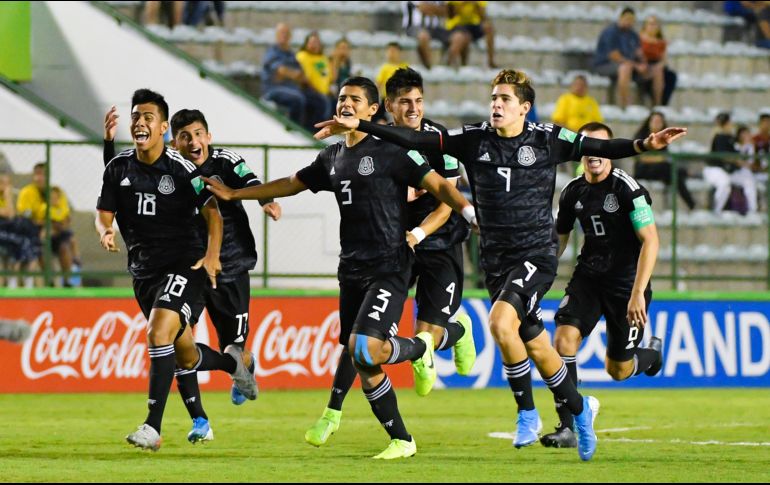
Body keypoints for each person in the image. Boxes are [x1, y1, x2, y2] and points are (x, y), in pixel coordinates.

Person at [314, 68, 687, 461]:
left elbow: (601, 147)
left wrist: (646, 142)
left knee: (499, 322)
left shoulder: (548, 139)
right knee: (538, 346)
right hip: (496, 258)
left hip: (535, 255)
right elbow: (416, 137)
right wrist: (365, 127)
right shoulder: (473, 139)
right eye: (494, 97)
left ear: (524, 107)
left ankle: (527, 412)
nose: (496, 104)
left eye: (505, 99)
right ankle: (580, 409)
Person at [205, 76, 478, 460]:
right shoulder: (332, 158)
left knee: (363, 346)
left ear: (371, 111)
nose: (346, 103)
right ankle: (401, 439)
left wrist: (468, 211)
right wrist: (236, 194)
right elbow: (292, 183)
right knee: (365, 360)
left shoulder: (393, 150)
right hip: (351, 270)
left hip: (390, 266)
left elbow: (439, 186)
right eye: (342, 97)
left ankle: (420, 348)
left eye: (355, 99)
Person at [303, 67, 476, 448]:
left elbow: (445, 202)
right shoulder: (383, 140)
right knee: (360, 338)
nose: (413, 110)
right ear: (390, 109)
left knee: (423, 336)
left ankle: (456, 330)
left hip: (438, 243)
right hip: (397, 247)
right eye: (404, 103)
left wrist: (417, 232)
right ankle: (333, 411)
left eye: (418, 102)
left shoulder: (438, 141)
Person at [102, 105, 282, 443]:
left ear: (209, 137)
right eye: (185, 137)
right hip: (192, 266)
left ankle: (240, 367)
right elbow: (122, 178)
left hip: (231, 265)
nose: (193, 141)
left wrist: (266, 200)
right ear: (174, 143)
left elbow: (250, 180)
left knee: (235, 349)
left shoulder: (225, 160)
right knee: (176, 337)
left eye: (199, 134)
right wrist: (108, 145)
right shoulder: (175, 170)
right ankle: (198, 419)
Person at [540, 122, 663, 449]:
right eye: (588, 147)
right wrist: (541, 274)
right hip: (589, 278)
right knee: (564, 340)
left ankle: (650, 354)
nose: (594, 154)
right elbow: (560, 238)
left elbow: (651, 241)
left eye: (601, 147)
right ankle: (567, 427)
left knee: (618, 370)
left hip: (626, 285)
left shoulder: (627, 189)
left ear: (610, 152)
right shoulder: (572, 191)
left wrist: (638, 292)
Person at [16, 163, 81, 287]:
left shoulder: (57, 192)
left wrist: (52, 226)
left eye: (42, 175)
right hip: (33, 232)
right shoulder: (26, 193)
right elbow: (25, 218)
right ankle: (49, 282)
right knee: (41, 247)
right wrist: (45, 224)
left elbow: (65, 218)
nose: (39, 178)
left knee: (64, 246)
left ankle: (67, 281)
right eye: (36, 174)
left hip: (57, 230)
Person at [261, 23, 330, 131]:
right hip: (274, 89)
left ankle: (311, 134)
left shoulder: (291, 54)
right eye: (282, 33)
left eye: (286, 33)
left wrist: (293, 75)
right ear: (276, 35)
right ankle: (294, 132)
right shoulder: (272, 52)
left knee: (320, 101)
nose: (284, 36)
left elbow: (301, 75)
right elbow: (280, 71)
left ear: (290, 37)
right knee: (297, 98)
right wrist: (292, 74)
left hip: (292, 88)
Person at [593, 7, 665, 108]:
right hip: (606, 65)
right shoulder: (610, 32)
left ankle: (657, 106)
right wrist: (636, 66)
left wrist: (644, 64)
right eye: (627, 19)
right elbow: (614, 56)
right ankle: (624, 106)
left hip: (631, 66)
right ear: (621, 18)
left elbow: (639, 53)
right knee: (625, 68)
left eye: (631, 20)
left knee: (657, 70)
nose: (629, 22)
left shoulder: (633, 34)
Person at [633, 111, 696, 210]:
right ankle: (691, 203)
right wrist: (659, 159)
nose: (656, 123)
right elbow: (641, 158)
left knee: (678, 174)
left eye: (659, 122)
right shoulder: (641, 136)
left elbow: (664, 156)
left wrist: (660, 159)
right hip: (643, 170)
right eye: (654, 121)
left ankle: (690, 204)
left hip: (659, 169)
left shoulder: (663, 138)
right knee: (670, 169)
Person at [705, 112, 757, 215]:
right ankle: (716, 212)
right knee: (724, 184)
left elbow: (738, 154)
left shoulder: (730, 138)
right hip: (715, 169)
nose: (731, 125)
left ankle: (753, 211)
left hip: (730, 171)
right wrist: (739, 161)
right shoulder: (719, 137)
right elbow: (725, 157)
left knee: (748, 181)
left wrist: (746, 147)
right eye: (729, 123)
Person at [638, 15, 677, 106]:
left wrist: (660, 65)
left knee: (671, 76)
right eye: (650, 24)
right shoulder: (639, 39)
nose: (652, 27)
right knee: (657, 72)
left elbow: (664, 59)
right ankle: (657, 103)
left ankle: (661, 102)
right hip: (644, 64)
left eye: (655, 24)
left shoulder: (661, 42)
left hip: (657, 65)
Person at [445, 1, 497, 68]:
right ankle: (462, 64)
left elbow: (483, 17)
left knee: (489, 28)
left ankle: (491, 61)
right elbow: (450, 15)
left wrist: (476, 5)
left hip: (473, 24)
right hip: (457, 24)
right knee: (465, 35)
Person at [402, 1, 450, 69]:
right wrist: (436, 9)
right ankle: (429, 68)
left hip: (434, 28)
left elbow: (446, 11)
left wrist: (433, 9)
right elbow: (423, 8)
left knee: (453, 37)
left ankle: (448, 67)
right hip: (413, 27)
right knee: (423, 36)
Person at [296, 31, 334, 116]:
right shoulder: (302, 56)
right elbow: (304, 76)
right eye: (311, 43)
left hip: (324, 93)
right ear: (306, 44)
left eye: (316, 43)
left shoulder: (323, 58)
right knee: (322, 103)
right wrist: (316, 90)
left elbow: (326, 76)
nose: (314, 45)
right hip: (308, 90)